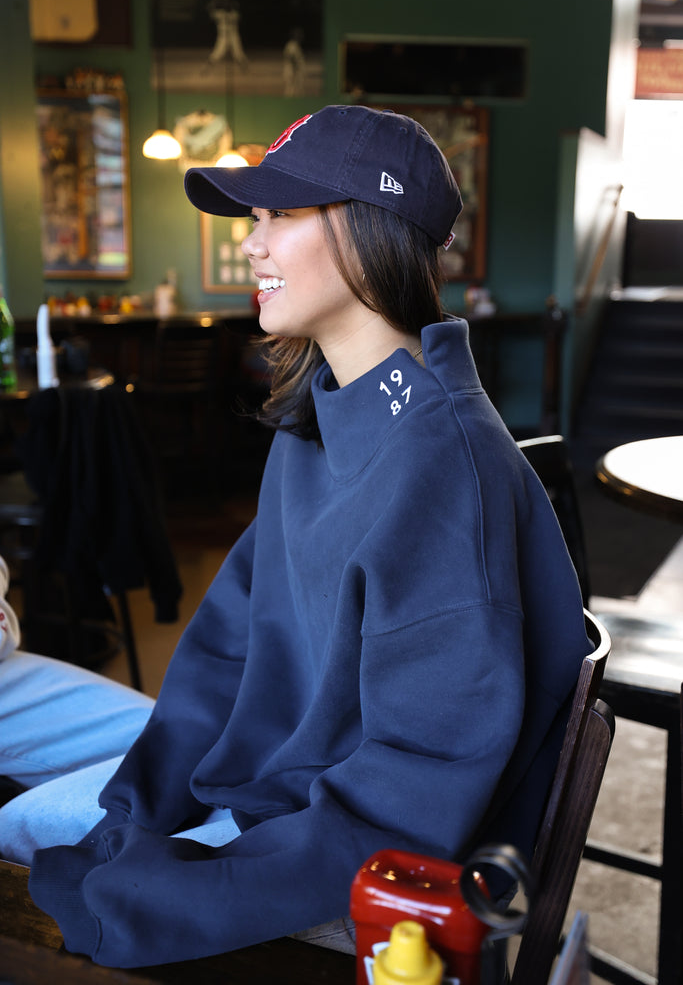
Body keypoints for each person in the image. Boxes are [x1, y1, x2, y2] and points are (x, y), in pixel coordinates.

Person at [0, 105, 590, 969]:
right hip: (284, 781)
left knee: (25, 835)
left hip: (376, 860)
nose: (250, 244)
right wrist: (134, 809)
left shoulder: (443, 464)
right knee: (62, 829)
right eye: (254, 216)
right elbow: (226, 651)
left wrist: (193, 882)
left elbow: (418, 785)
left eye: (280, 213)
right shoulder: (320, 420)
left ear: (370, 230)